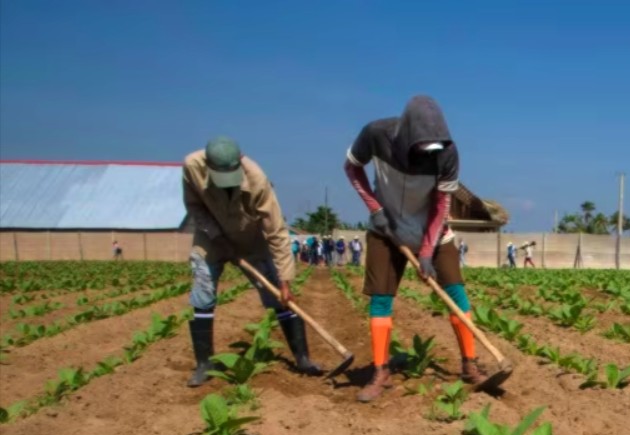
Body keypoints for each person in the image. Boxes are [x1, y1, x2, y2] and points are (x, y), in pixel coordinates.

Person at [343, 94, 486, 402]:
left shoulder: (447, 154)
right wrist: (375, 208)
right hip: (386, 231)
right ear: (408, 135)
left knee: (456, 295)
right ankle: (380, 370)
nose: (430, 152)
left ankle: (469, 364)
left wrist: (426, 250)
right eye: (424, 146)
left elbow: (441, 205)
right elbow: (352, 168)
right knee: (381, 300)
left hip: (433, 233)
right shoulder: (375, 135)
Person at [181, 136, 323, 387]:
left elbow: (277, 233)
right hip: (211, 239)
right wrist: (217, 236)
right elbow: (195, 207)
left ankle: (302, 358)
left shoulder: (257, 180)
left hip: (252, 241)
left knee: (279, 297)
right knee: (203, 295)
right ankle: (205, 364)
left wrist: (286, 282)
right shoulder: (192, 166)